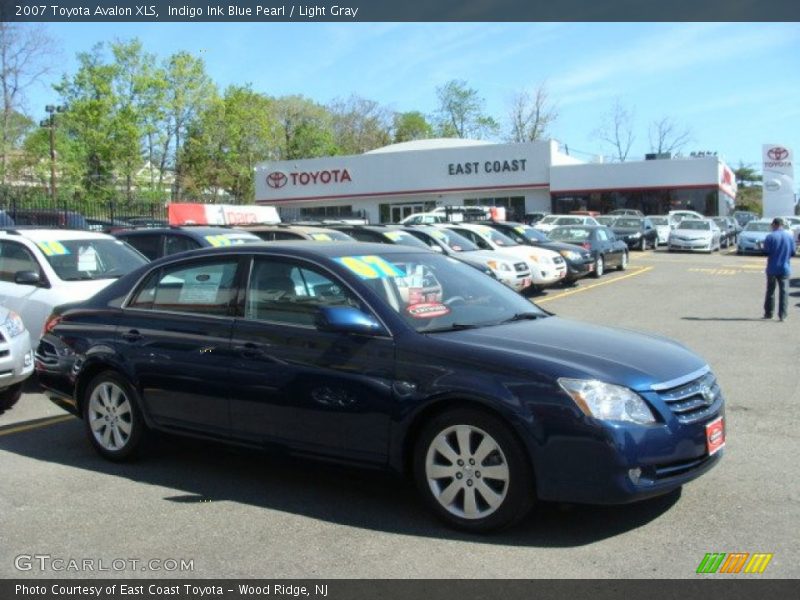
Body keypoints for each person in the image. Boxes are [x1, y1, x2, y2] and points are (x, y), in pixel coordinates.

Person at [763, 217, 796, 322]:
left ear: (774, 225)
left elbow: (766, 251)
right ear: (782, 225)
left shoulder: (770, 237)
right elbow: (793, 252)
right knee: (784, 292)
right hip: (785, 268)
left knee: (770, 291)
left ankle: (769, 313)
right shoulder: (789, 237)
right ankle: (782, 315)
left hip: (772, 268)